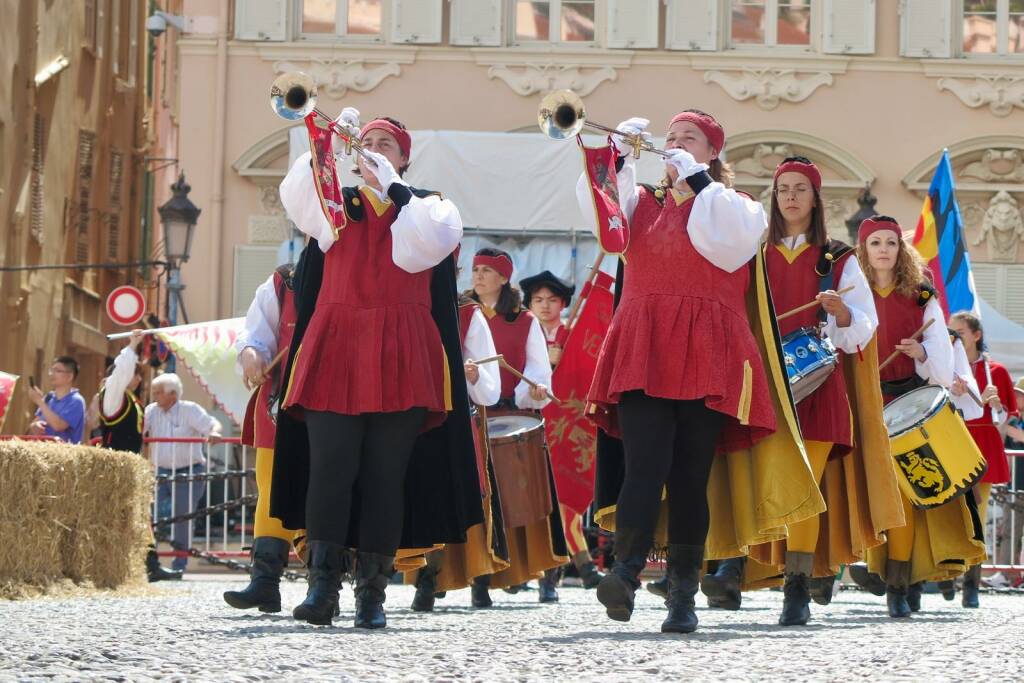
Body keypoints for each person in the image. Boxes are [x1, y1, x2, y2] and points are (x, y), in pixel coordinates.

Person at [578, 110, 821, 634]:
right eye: (669, 138)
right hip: (645, 342)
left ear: (713, 152)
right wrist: (615, 161)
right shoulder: (640, 201)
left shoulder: (735, 205)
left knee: (690, 478)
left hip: (707, 347)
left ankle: (683, 595)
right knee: (643, 464)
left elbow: (728, 244)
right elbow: (606, 228)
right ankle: (623, 573)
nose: (674, 144)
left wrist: (696, 177)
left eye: (688, 138)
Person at [272, 109, 484, 628]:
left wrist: (392, 186)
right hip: (336, 341)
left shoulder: (429, 205)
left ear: (405, 158)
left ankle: (372, 593)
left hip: (402, 345)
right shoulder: (334, 202)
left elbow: (427, 246)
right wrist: (325, 142)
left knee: (387, 476)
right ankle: (322, 588)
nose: (374, 149)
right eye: (366, 141)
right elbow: (297, 198)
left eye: (386, 144)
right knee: (331, 468)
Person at [719, 157, 902, 626]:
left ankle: (796, 589)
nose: (791, 197)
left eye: (800, 189)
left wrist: (840, 313)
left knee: (804, 485)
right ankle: (731, 568)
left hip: (818, 385)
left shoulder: (837, 258)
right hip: (762, 383)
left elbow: (863, 328)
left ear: (816, 198)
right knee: (748, 475)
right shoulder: (751, 254)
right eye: (783, 189)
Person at [856, 216, 986, 618]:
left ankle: (901, 584)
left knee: (912, 499)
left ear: (900, 249)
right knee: (873, 497)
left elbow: (944, 372)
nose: (883, 249)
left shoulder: (922, 296)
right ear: (864, 250)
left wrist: (922, 353)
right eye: (875, 242)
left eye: (891, 243)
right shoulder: (852, 295)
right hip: (865, 404)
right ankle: (874, 575)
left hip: (910, 404)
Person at [464, 249, 569, 606]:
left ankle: (541, 574)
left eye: (487, 271)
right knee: (477, 502)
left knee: (517, 504)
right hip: (472, 419)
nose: (478, 276)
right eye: (476, 269)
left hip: (510, 416)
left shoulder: (524, 322)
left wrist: (535, 390)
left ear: (504, 278)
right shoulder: (462, 314)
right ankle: (473, 578)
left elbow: (538, 370)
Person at [406, 286, 510, 611]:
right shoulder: (406, 300)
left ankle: (479, 580)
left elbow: (490, 387)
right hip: (414, 415)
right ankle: (427, 581)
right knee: (423, 498)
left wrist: (474, 376)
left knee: (466, 497)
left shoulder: (467, 313)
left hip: (458, 420)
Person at [222, 263, 303, 614]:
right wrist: (251, 353)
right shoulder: (284, 281)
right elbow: (255, 334)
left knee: (331, 490)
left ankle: (324, 587)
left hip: (337, 400)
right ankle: (265, 583)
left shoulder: (364, 271)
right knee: (270, 491)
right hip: (280, 402)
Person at [520, 269, 605, 590]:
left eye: (551, 300)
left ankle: (580, 569)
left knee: (564, 501)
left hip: (568, 428)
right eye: (538, 300)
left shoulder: (575, 335)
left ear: (563, 303)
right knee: (533, 501)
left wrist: (562, 360)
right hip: (531, 424)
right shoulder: (524, 335)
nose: (544, 306)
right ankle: (536, 570)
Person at [948, 311, 1020, 607]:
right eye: (950, 332)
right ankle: (945, 572)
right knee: (949, 513)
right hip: (952, 441)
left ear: (976, 335)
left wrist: (997, 403)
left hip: (983, 443)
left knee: (976, 515)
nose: (954, 337)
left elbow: (1006, 417)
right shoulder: (946, 366)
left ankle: (971, 584)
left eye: (960, 332)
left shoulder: (997, 371)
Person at [97, 331, 181, 582]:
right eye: (133, 373)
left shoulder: (129, 400)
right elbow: (119, 374)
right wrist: (132, 346)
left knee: (141, 517)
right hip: (116, 468)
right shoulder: (112, 397)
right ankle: (133, 565)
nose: (135, 377)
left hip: (130, 467)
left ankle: (150, 564)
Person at [145, 373, 224, 574]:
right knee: (150, 514)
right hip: (161, 471)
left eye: (158, 392)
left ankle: (179, 564)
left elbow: (213, 424)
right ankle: (148, 562)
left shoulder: (190, 409)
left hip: (190, 471)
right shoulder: (150, 411)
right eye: (154, 392)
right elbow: (140, 430)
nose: (154, 396)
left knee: (182, 517)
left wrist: (214, 433)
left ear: (173, 394)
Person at [27, 356, 86, 444]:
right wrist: (34, 426)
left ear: (70, 376)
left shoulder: (76, 401)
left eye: (57, 371)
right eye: (51, 370)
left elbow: (59, 425)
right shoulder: (49, 397)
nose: (52, 374)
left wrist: (39, 401)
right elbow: (33, 424)